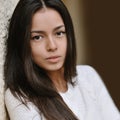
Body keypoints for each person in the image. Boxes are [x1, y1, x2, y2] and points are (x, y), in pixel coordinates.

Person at [4, 0, 120, 120]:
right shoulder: (20, 97)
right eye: (37, 37)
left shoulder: (88, 76)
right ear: (21, 43)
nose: (52, 46)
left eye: (59, 33)